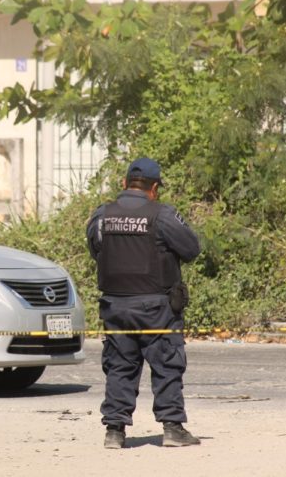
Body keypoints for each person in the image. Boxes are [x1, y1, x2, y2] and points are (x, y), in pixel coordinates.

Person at [85, 157, 201, 449]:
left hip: (115, 307)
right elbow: (191, 249)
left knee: (119, 367)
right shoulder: (162, 215)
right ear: (155, 188)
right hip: (156, 308)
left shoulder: (102, 216)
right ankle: (172, 428)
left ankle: (114, 431)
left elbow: (95, 249)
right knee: (167, 365)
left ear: (124, 184)